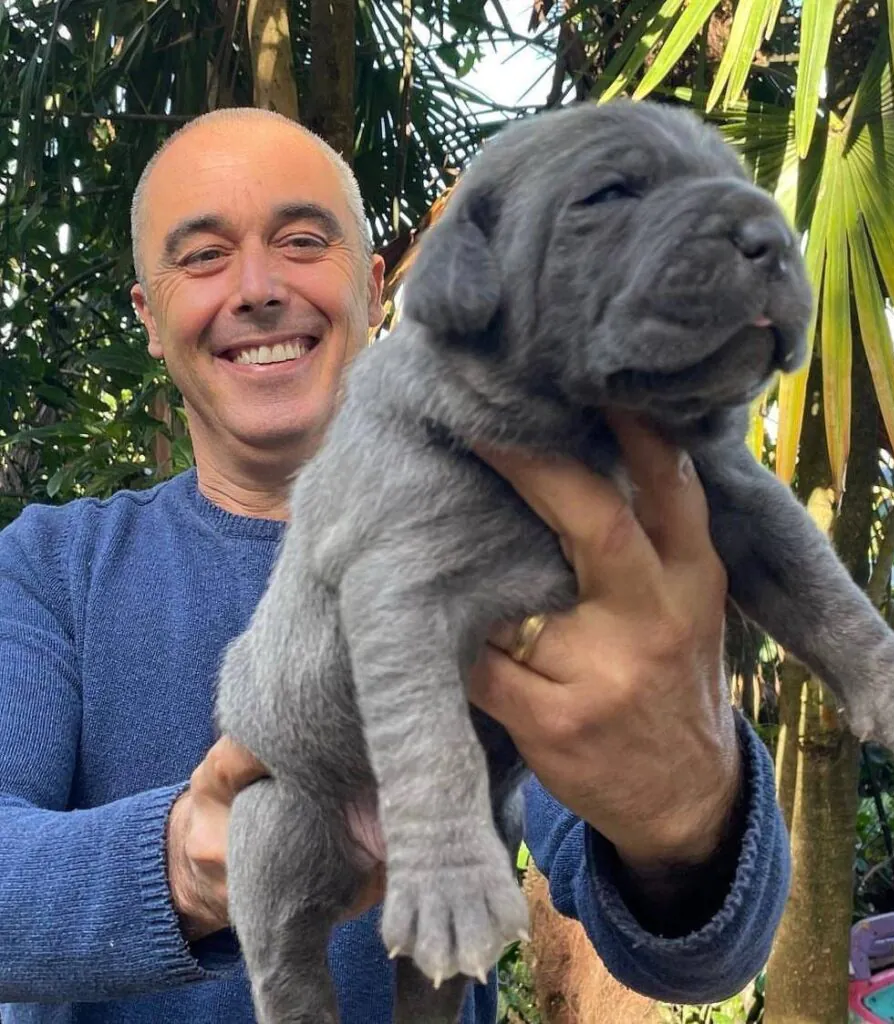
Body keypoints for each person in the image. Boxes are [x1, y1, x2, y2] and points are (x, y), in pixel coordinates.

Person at [0, 107, 790, 1023]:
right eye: (205, 255)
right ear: (148, 313)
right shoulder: (46, 570)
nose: (257, 287)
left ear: (375, 289)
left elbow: (701, 961)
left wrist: (687, 818)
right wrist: (190, 865)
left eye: (301, 240)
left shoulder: (535, 539)